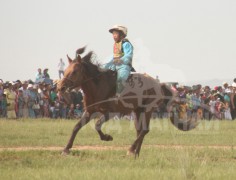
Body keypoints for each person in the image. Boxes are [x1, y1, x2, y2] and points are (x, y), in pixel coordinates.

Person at [103, 25, 134, 96]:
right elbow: (113, 57)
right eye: (113, 34)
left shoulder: (126, 44)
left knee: (121, 79)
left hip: (124, 66)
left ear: (121, 34)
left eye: (115, 34)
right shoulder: (116, 45)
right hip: (114, 65)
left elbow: (128, 55)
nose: (114, 36)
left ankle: (118, 95)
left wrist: (120, 60)